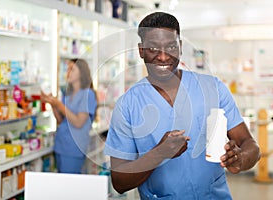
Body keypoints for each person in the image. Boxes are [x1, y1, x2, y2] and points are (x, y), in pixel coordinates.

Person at [103, 12, 260, 199]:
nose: (163, 57)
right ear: (141, 50)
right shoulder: (127, 105)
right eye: (153, 48)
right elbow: (119, 182)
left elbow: (251, 145)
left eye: (171, 46)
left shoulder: (212, 88)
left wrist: (241, 158)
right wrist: (159, 153)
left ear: (180, 47)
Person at [41, 58, 97, 174]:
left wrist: (59, 104)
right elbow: (61, 121)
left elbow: (78, 122)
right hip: (61, 145)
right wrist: (52, 104)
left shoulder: (88, 94)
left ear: (82, 72)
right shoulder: (68, 94)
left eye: (72, 69)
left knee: (70, 184)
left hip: (74, 148)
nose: (68, 72)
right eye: (67, 69)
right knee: (62, 183)